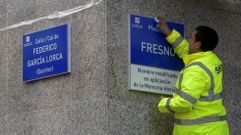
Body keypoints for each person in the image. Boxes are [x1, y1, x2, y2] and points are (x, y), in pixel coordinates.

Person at [156, 17, 230, 135]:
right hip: (213, 129)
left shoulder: (197, 70)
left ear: (198, 44)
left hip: (200, 131)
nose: (188, 39)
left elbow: (184, 102)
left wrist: (163, 103)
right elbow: (187, 50)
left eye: (191, 37)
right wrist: (169, 33)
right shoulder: (210, 60)